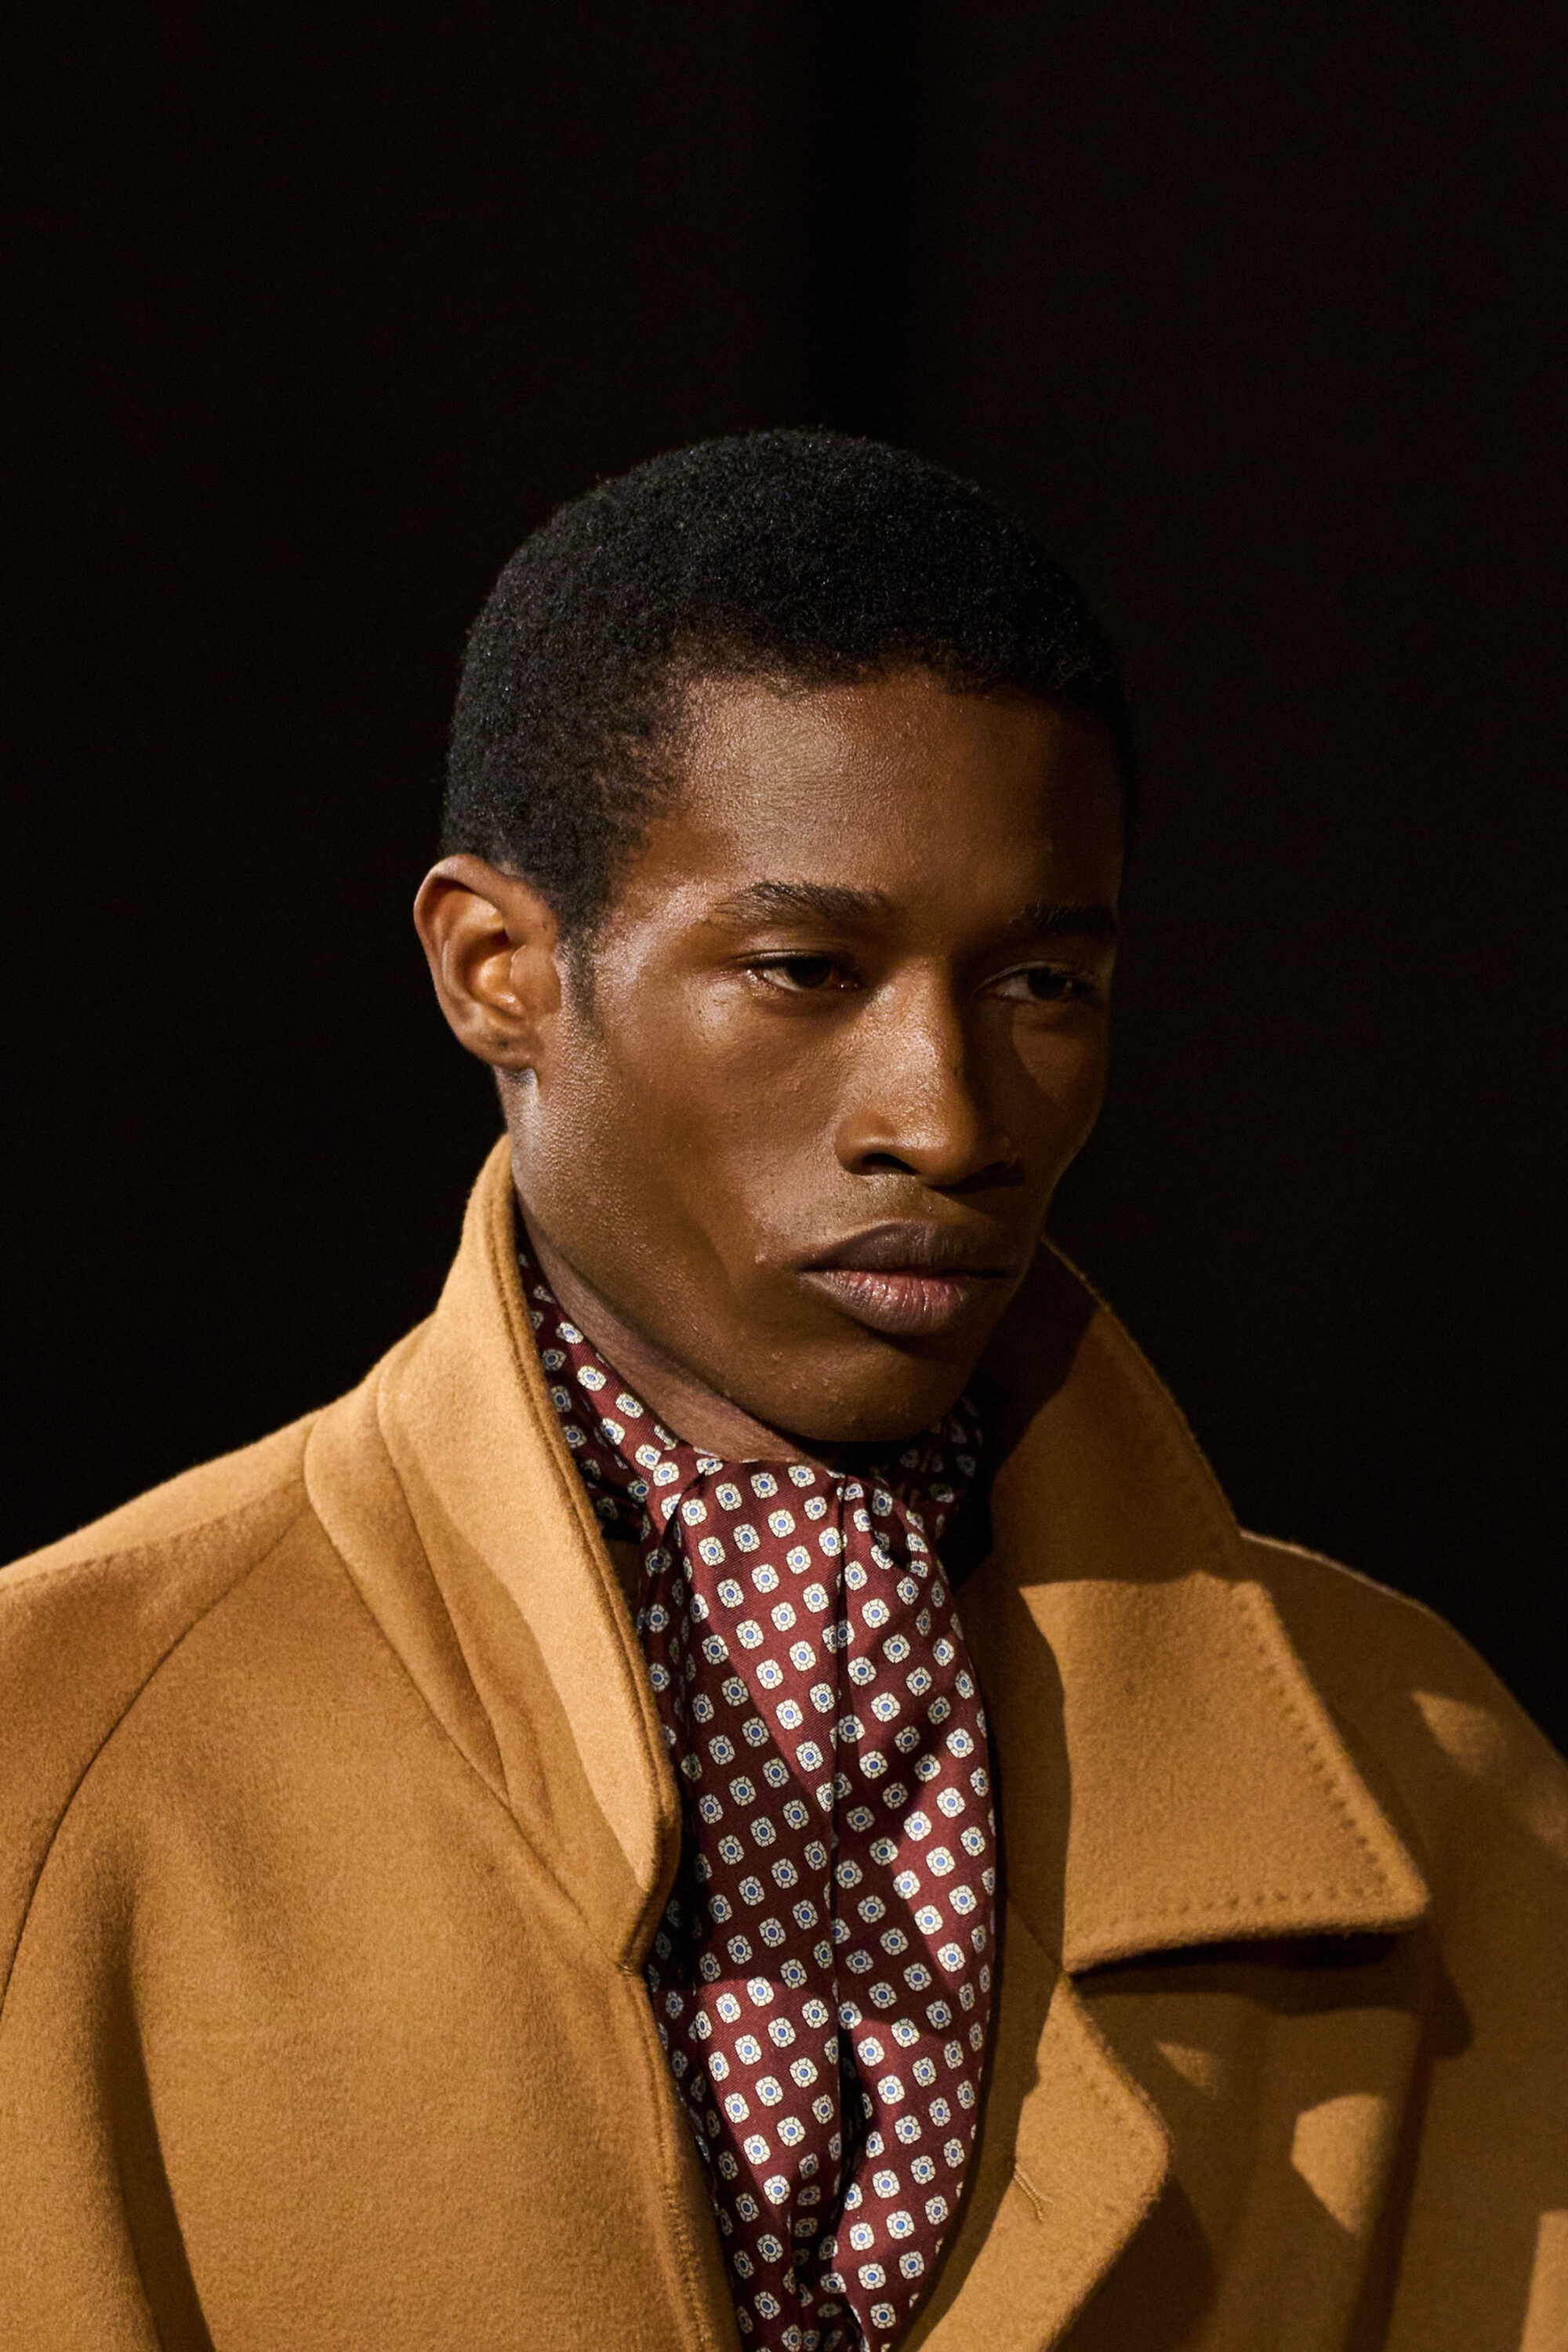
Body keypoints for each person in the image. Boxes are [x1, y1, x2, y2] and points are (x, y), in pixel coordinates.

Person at [2, 431, 1563, 2352]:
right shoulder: (53, 1759)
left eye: (1044, 985)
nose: (949, 1120)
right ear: (498, 969)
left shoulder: (1434, 1793)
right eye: (808, 969)